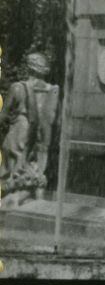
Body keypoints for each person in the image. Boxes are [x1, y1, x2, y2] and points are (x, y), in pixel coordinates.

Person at [0, 51, 59, 189]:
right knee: (32, 172)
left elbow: (3, 115)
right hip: (39, 137)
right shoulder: (53, 90)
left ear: (28, 67)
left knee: (11, 175)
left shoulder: (18, 88)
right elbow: (54, 119)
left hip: (19, 132)